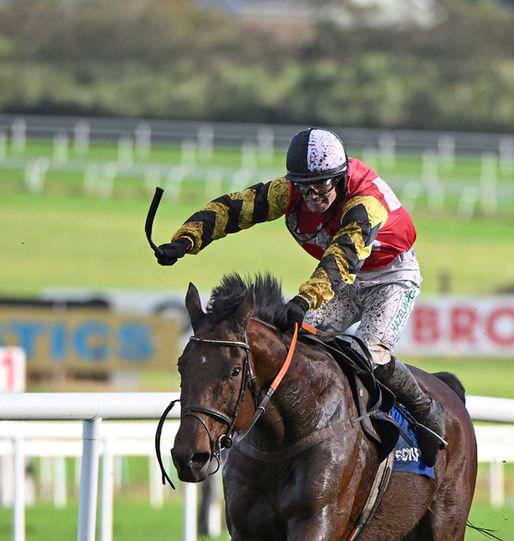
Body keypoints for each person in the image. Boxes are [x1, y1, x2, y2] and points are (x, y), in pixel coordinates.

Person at [155, 127, 446, 459]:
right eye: (304, 186)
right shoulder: (288, 190)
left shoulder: (366, 203)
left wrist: (304, 299)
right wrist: (186, 239)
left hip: (389, 277)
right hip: (344, 278)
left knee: (371, 355)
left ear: (339, 177)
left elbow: (341, 259)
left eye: (321, 185)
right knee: (295, 342)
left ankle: (426, 412)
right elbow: (234, 209)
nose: (312, 195)